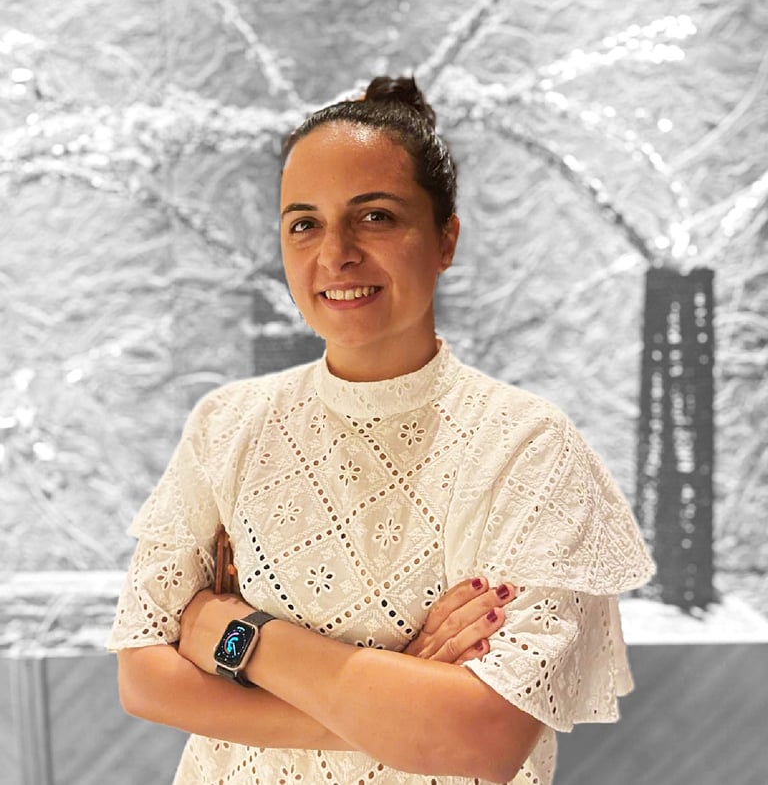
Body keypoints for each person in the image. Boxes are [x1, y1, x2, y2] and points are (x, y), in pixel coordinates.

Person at [108, 75, 655, 785]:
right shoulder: (228, 425)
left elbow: (483, 738)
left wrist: (240, 636)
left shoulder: (527, 447)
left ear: (446, 238)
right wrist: (396, 709)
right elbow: (144, 677)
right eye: (304, 223)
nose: (335, 253)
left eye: (375, 217)